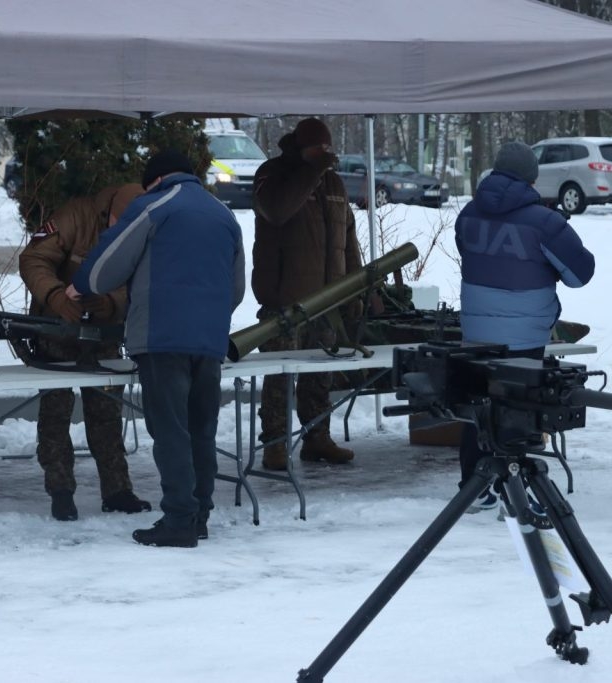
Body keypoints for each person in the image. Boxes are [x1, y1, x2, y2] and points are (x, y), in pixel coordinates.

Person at [68, 150, 245, 547]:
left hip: (163, 339)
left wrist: (79, 286)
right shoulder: (224, 215)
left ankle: (179, 520)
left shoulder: (152, 207)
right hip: (210, 341)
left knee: (171, 432)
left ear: (154, 180)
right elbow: (235, 290)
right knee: (201, 429)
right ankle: (199, 515)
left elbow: (104, 268)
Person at [454, 141, 595, 510]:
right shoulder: (545, 221)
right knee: (520, 409)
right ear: (531, 177)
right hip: (524, 335)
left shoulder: (468, 213)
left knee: (478, 406)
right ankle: (515, 493)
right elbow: (580, 274)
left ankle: (473, 485)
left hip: (476, 332)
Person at [18, 183, 152, 521]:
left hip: (104, 335)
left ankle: (118, 490)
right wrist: (56, 297)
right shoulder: (75, 216)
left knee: (107, 413)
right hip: (57, 331)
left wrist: (110, 303)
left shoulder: (144, 227)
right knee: (55, 413)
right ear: (108, 212)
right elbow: (34, 258)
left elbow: (143, 283)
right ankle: (60, 490)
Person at [251, 117, 362, 471]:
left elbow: (348, 238)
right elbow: (277, 211)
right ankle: (275, 445)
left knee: (320, 376)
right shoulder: (274, 173)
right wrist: (311, 172)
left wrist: (357, 287)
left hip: (327, 299)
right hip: (284, 299)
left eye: (329, 149)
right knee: (280, 376)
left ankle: (317, 438)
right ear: (302, 149)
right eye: (320, 149)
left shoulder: (334, 183)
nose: (327, 155)